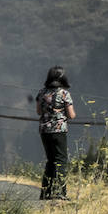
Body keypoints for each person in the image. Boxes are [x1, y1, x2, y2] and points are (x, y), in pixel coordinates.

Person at [36, 66, 76, 201]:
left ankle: (45, 192)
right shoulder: (64, 94)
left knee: (50, 160)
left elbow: (38, 112)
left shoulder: (41, 92)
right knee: (60, 160)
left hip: (44, 130)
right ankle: (60, 192)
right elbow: (71, 115)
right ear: (62, 78)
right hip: (59, 130)